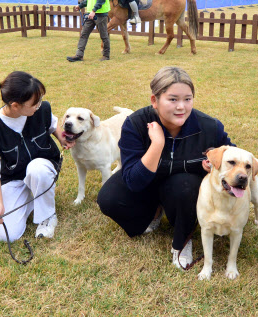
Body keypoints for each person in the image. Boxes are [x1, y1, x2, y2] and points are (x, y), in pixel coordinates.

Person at [97, 66, 233, 268]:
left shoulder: (209, 127)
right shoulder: (135, 124)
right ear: (155, 100)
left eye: (188, 99)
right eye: (173, 99)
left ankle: (182, 241)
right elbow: (133, 181)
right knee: (109, 199)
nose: (182, 107)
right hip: (147, 182)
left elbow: (233, 159)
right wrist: (157, 145)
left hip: (184, 188)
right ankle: (154, 212)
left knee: (184, 185)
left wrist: (216, 166)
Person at [0, 71, 69, 241]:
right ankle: (31, 199)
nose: (39, 105)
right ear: (15, 105)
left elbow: (52, 124)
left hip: (42, 168)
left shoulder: (41, 110)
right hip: (13, 179)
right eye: (35, 102)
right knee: (5, 235)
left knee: (37, 169)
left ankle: (47, 216)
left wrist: (63, 138)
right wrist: (0, 204)